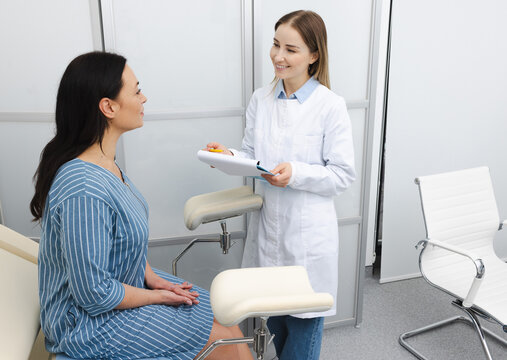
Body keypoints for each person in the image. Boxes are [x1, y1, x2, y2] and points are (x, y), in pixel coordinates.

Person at [30, 52, 253, 360]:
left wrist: (151, 275)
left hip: (119, 292)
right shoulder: (83, 187)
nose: (144, 97)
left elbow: (121, 240)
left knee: (227, 320)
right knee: (222, 339)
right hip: (84, 325)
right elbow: (93, 293)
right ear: (108, 107)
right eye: (136, 91)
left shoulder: (106, 164)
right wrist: (153, 296)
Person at [205, 10, 355, 360]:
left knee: (301, 332)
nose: (278, 56)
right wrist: (225, 155)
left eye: (291, 49)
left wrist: (296, 173)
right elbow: (251, 155)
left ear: (314, 55)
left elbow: (342, 175)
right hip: (269, 230)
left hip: (307, 238)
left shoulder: (330, 107)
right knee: (275, 323)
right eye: (275, 45)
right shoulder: (262, 99)